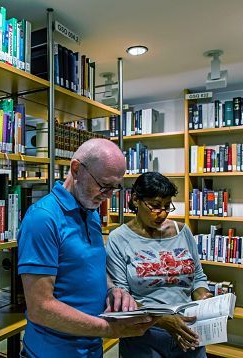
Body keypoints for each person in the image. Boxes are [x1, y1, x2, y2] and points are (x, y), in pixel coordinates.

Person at [17, 139, 158, 358]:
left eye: (115, 188)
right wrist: (109, 329)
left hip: (90, 349)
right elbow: (40, 308)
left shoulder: (90, 212)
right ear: (76, 169)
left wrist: (112, 289)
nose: (108, 196)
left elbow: (88, 267)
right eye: (104, 185)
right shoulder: (42, 219)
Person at [106, 172, 213, 358]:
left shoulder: (183, 231)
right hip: (144, 335)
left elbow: (198, 277)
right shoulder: (119, 239)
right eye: (155, 206)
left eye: (167, 206)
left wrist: (203, 296)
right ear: (136, 200)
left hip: (189, 330)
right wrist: (161, 320)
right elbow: (122, 298)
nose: (162, 213)